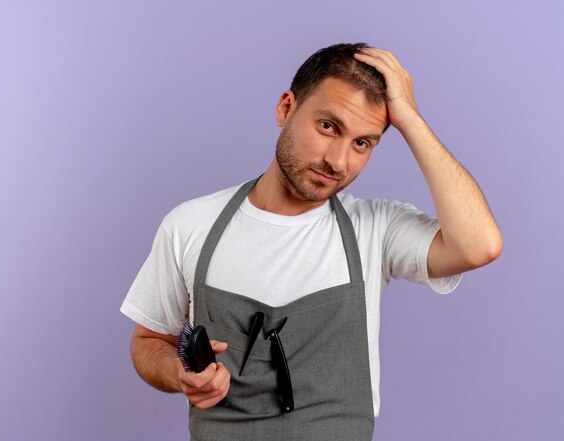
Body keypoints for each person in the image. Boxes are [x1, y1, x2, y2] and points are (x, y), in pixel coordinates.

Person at [120, 42, 502, 440]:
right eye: (328, 127)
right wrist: (178, 373)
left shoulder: (374, 229)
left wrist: (410, 120)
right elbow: (149, 342)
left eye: (362, 143)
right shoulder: (190, 224)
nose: (337, 161)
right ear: (286, 108)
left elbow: (480, 245)